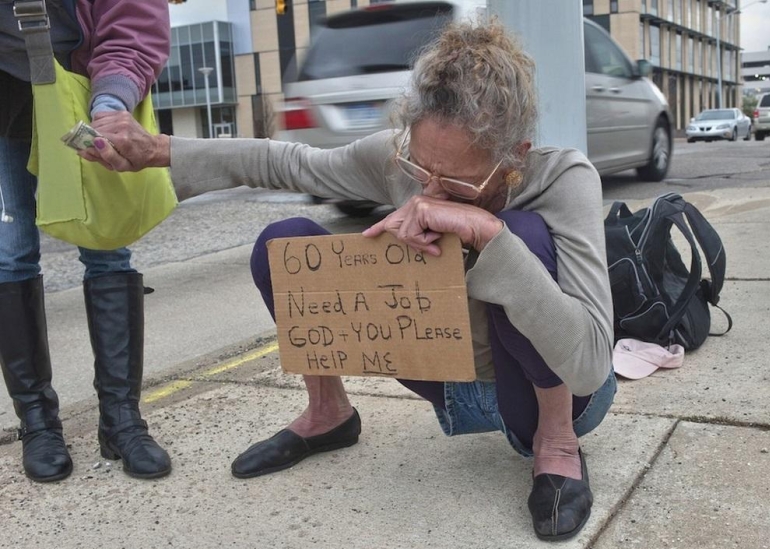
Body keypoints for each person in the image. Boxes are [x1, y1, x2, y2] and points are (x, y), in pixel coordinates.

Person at [83, 21, 616, 541]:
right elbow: (286, 163)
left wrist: (490, 234)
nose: (427, 191)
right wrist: (157, 150)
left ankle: (558, 445)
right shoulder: (397, 161)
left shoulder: (563, 179)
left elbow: (591, 361)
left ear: (514, 158)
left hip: (553, 391)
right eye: (418, 167)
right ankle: (329, 413)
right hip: (448, 375)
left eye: (454, 181)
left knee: (521, 233)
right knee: (284, 242)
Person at [0, 0, 172, 482]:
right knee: (10, 256)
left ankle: (120, 421)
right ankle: (38, 425)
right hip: (4, 99)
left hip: (81, 90)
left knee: (108, 243)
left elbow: (133, 21)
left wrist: (113, 101)